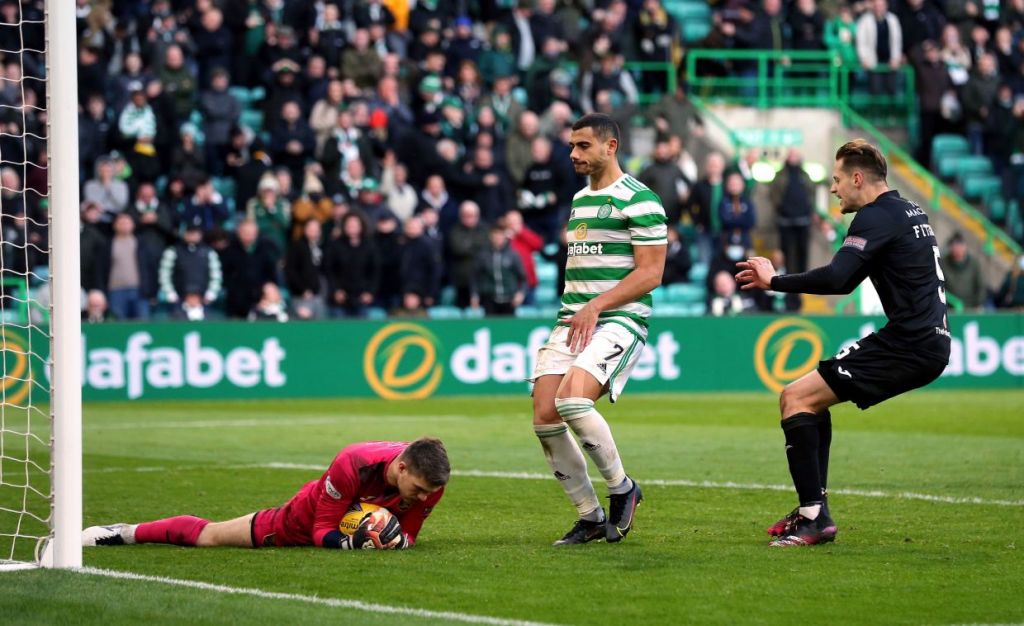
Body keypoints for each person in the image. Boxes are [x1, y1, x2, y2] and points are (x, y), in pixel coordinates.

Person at [736, 139, 952, 547]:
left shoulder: (875, 216)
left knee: (794, 398)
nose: (833, 188)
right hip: (925, 339)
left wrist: (775, 281)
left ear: (857, 178)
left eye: (836, 180)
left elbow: (837, 279)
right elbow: (849, 278)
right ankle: (813, 510)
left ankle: (813, 516)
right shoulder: (909, 210)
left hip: (910, 343)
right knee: (810, 399)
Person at [530, 113, 666, 546]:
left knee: (572, 400)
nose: (573, 153)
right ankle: (589, 516)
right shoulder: (579, 200)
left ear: (611, 146)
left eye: (583, 145)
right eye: (572, 145)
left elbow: (651, 273)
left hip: (619, 319)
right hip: (574, 319)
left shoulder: (641, 200)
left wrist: (597, 306)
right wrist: (580, 309)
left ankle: (623, 488)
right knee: (545, 416)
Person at [83, 438, 450, 551]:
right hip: (300, 519)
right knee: (210, 536)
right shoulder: (353, 463)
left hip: (347, 518)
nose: (423, 499)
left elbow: (409, 535)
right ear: (402, 468)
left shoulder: (432, 484)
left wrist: (394, 541)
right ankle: (126, 532)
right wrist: (353, 543)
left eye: (428, 493)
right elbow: (320, 531)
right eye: (418, 490)